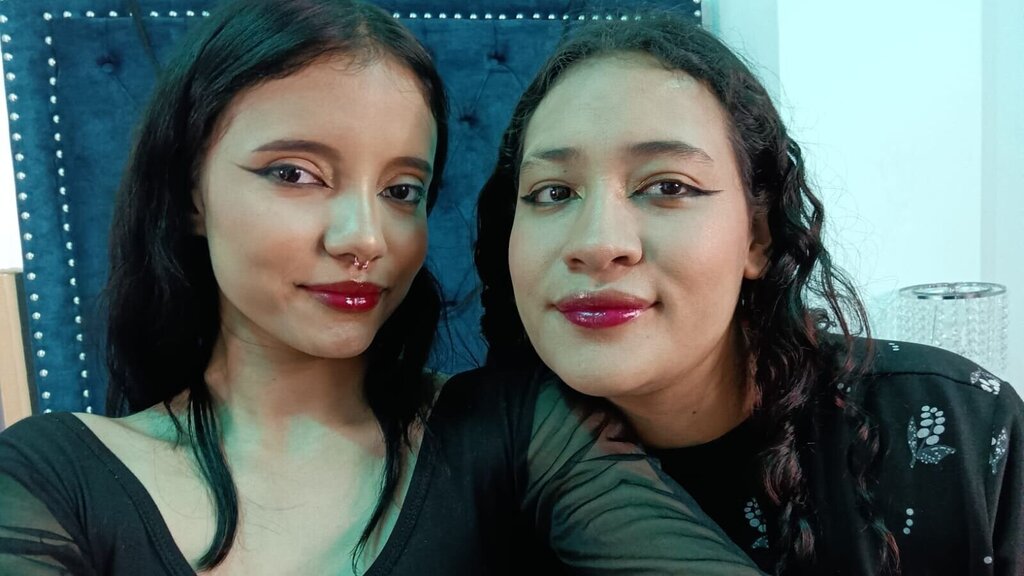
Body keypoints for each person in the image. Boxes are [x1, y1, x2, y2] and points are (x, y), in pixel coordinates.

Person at [0, 1, 766, 575]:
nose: (364, 237)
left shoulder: (517, 429)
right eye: (295, 173)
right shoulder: (55, 477)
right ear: (191, 195)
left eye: (402, 191)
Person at [475, 13, 1024, 576]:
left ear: (758, 236)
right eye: (553, 193)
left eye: (668, 186)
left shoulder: (959, 428)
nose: (596, 244)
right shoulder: (462, 466)